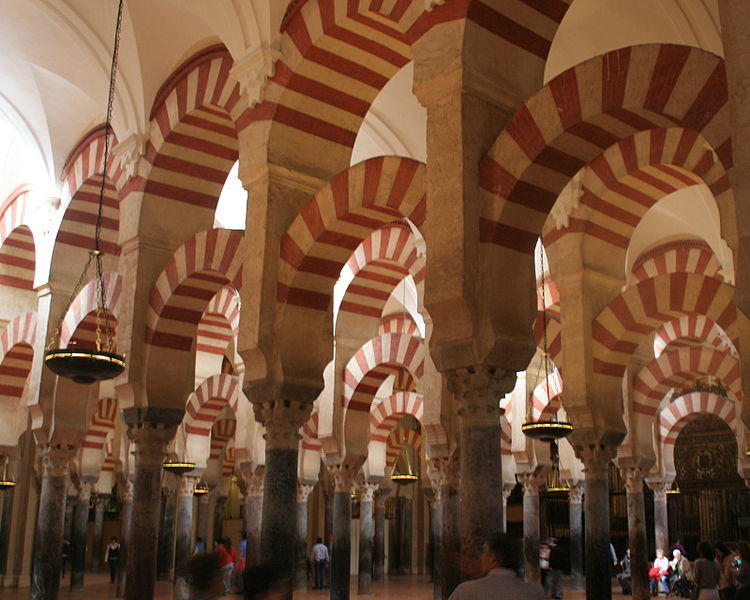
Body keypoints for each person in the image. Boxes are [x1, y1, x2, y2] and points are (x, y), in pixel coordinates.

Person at [448, 532, 544, 599]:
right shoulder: (535, 592)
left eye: (484, 552)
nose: (481, 558)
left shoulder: (465, 591)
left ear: (493, 559)